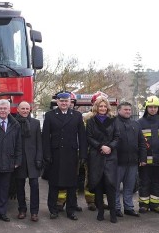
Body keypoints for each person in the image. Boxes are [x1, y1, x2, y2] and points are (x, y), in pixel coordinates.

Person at [42, 92, 86, 220]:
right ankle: (53, 210)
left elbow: (82, 137)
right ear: (57, 102)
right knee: (54, 184)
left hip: (71, 154)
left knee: (72, 184)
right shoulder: (50, 116)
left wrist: (83, 154)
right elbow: (45, 137)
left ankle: (71, 210)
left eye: (66, 101)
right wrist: (47, 154)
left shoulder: (77, 116)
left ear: (70, 102)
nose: (64, 103)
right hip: (55, 154)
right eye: (61, 101)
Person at [85, 95, 120, 223]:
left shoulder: (113, 120)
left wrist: (110, 147)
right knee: (98, 184)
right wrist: (101, 146)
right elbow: (88, 137)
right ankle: (100, 211)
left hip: (110, 156)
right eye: (100, 106)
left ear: (108, 107)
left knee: (110, 184)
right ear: (96, 107)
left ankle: (112, 213)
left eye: (105, 106)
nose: (103, 108)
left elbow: (117, 137)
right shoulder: (91, 121)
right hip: (96, 155)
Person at [137, 96, 159, 214]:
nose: (153, 109)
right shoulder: (139, 123)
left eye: (155, 107)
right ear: (146, 108)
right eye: (150, 107)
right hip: (144, 161)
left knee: (158, 183)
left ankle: (155, 204)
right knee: (144, 182)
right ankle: (144, 205)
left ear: (158, 108)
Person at [115, 101, 147, 217]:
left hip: (133, 162)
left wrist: (143, 158)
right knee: (116, 187)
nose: (128, 111)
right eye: (125, 109)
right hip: (117, 162)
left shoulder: (136, 124)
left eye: (129, 110)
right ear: (119, 110)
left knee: (129, 187)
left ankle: (129, 208)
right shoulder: (113, 123)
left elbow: (142, 143)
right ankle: (116, 208)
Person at [13, 101, 43, 222]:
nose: (25, 111)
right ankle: (22, 210)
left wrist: (39, 158)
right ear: (18, 110)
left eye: (27, 108)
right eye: (23, 109)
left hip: (33, 160)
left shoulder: (35, 123)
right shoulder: (13, 123)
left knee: (34, 186)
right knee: (19, 186)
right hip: (20, 160)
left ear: (29, 110)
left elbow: (39, 143)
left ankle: (34, 212)